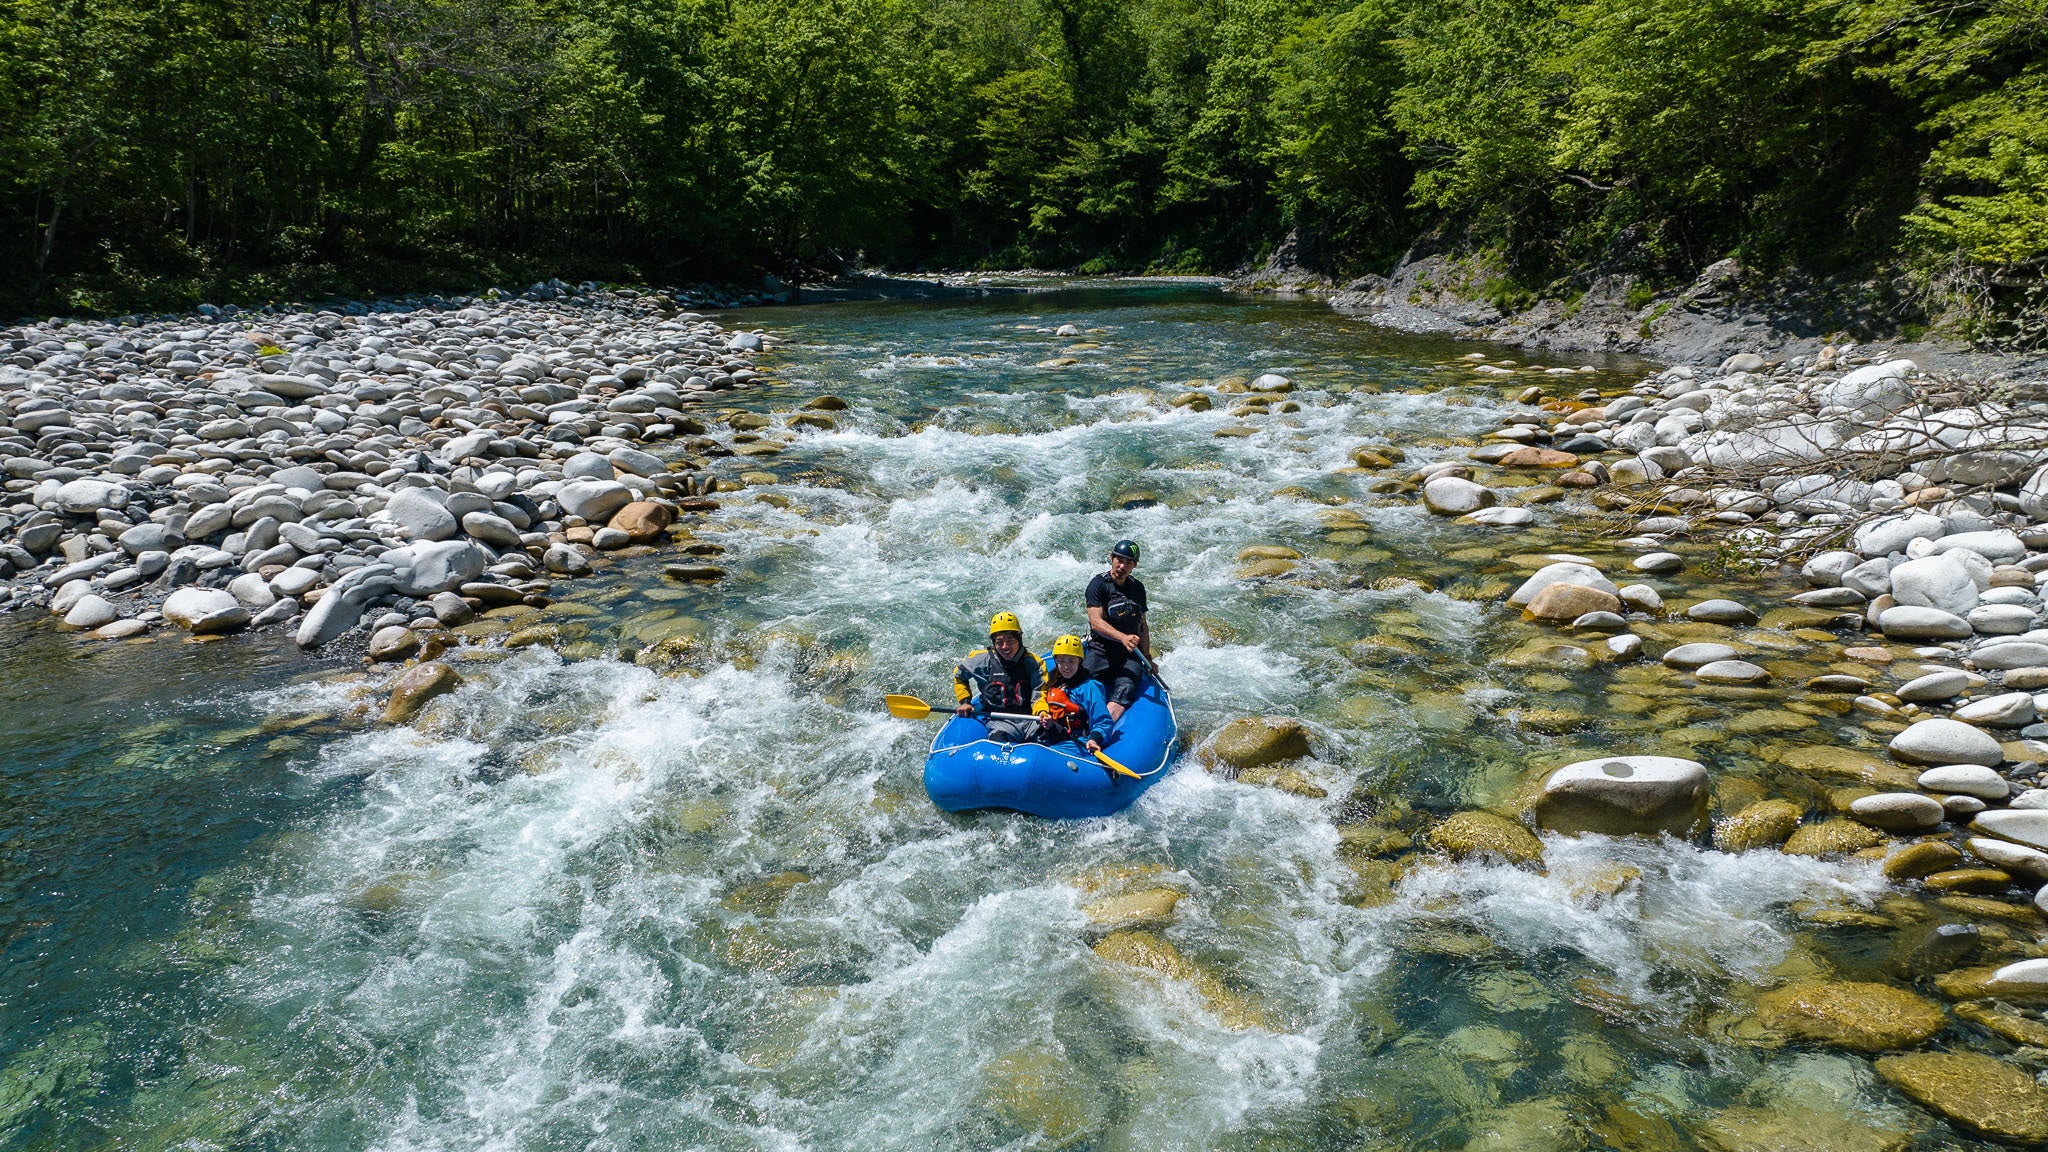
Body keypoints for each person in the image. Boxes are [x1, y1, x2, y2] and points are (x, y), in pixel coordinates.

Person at [1082, 539, 1150, 722]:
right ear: (1112, 558)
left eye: (1128, 562)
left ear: (1134, 566)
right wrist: (1122, 637)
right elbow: (1096, 622)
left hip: (1129, 654)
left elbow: (1142, 625)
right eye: (1119, 560)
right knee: (1080, 682)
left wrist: (1148, 657)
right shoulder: (1098, 585)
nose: (1122, 566)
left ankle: (1100, 728)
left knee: (1125, 688)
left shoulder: (1137, 588)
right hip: (1101, 649)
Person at [954, 611, 1047, 742]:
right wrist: (965, 702)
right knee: (999, 740)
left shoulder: (1033, 663)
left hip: (1031, 720)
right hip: (1000, 722)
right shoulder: (982, 660)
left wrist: (1042, 712)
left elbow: (1039, 693)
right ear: (993, 642)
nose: (1005, 647)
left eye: (1010, 641)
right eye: (999, 642)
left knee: (1051, 735)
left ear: (1019, 639)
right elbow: (959, 675)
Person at [1039, 634, 1117, 753]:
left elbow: (1103, 722)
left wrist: (1094, 739)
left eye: (1071, 661)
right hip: (1053, 733)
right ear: (1055, 661)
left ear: (1080, 661)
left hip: (1077, 741)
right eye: (1061, 661)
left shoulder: (1090, 687)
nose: (1066, 666)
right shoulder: (1053, 680)